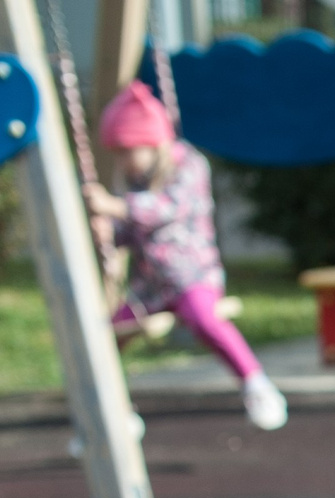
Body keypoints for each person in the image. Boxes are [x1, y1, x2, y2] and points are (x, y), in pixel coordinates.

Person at [87, 82, 285, 431]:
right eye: (117, 153)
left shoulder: (189, 166)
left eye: (127, 151)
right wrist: (110, 234)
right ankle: (115, 412)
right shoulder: (133, 180)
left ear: (153, 143)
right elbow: (133, 229)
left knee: (205, 320)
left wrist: (115, 206)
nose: (122, 161)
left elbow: (166, 209)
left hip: (192, 276)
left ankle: (256, 384)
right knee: (105, 337)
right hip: (150, 287)